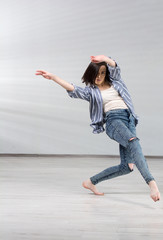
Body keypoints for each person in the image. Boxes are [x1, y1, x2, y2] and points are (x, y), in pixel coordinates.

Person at [35, 55, 161, 202]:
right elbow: (73, 88)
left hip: (130, 120)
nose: (99, 76)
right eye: (97, 73)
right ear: (90, 73)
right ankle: (151, 183)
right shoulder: (91, 92)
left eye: (102, 72)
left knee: (127, 166)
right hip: (114, 121)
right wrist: (54, 77)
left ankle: (90, 182)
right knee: (133, 142)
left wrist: (105, 59)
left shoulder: (116, 82)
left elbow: (115, 67)